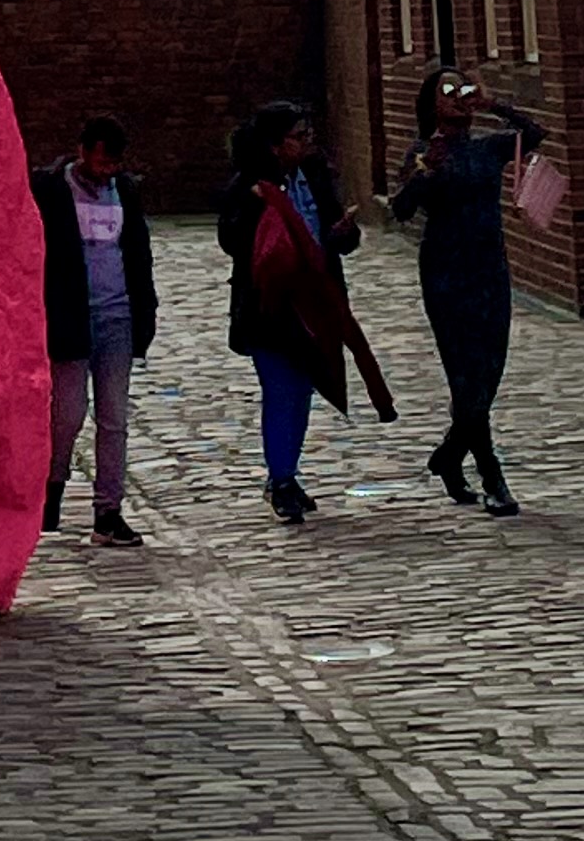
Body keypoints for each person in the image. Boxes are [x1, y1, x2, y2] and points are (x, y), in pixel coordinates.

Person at [214, 96, 394, 525]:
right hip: (271, 304)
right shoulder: (249, 187)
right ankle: (280, 479)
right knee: (281, 390)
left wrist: (343, 233)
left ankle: (287, 471)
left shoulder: (314, 177)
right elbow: (231, 241)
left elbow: (338, 241)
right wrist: (258, 209)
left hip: (315, 302)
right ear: (275, 145)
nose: (307, 141)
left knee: (302, 391)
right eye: (299, 136)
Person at [391, 68, 541, 518]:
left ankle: (450, 455)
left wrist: (494, 104)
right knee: (464, 377)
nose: (457, 97)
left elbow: (535, 134)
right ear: (431, 104)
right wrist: (425, 171)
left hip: (489, 268)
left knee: (489, 370)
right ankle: (492, 475)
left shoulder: (488, 148)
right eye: (447, 91)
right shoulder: (423, 152)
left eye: (463, 89)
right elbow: (401, 208)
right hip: (446, 272)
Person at [32, 113, 155, 546]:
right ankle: (52, 483)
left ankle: (108, 510)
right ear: (82, 151)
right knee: (67, 413)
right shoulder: (51, 190)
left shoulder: (125, 191)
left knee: (114, 417)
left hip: (117, 315)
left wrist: (144, 309)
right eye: (101, 162)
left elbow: (137, 251)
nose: (106, 172)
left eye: (113, 164)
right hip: (70, 317)